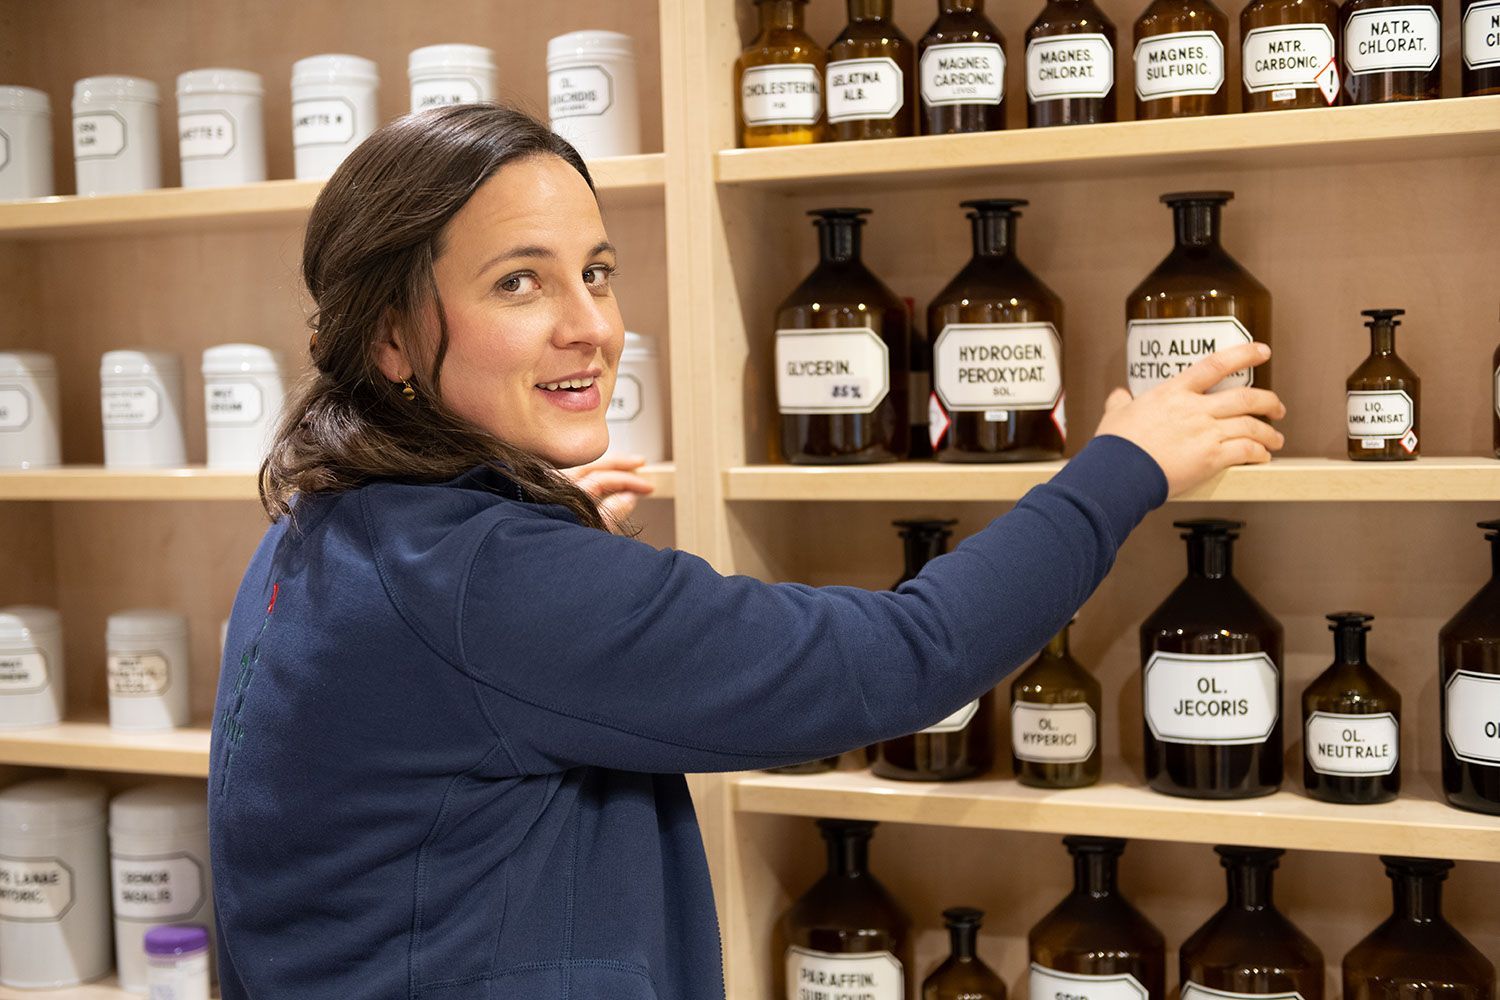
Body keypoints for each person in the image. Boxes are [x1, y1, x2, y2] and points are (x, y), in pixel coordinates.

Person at [208, 104, 1285, 1000]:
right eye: (518, 283)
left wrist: (532, 528)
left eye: (598, 269)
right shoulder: (489, 582)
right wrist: (1123, 465)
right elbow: (906, 657)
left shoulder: (324, 525)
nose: (591, 324)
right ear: (390, 335)